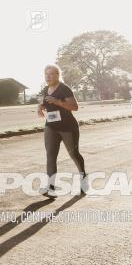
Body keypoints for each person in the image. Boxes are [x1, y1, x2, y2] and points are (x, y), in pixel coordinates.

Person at [37, 64, 87, 198]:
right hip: (51, 126)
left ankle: (83, 179)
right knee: (50, 156)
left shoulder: (65, 89)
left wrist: (58, 102)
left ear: (57, 75)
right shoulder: (45, 88)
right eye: (46, 74)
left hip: (67, 127)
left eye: (51, 74)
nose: (48, 76)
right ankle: (51, 187)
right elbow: (46, 103)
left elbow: (75, 107)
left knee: (74, 154)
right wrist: (40, 106)